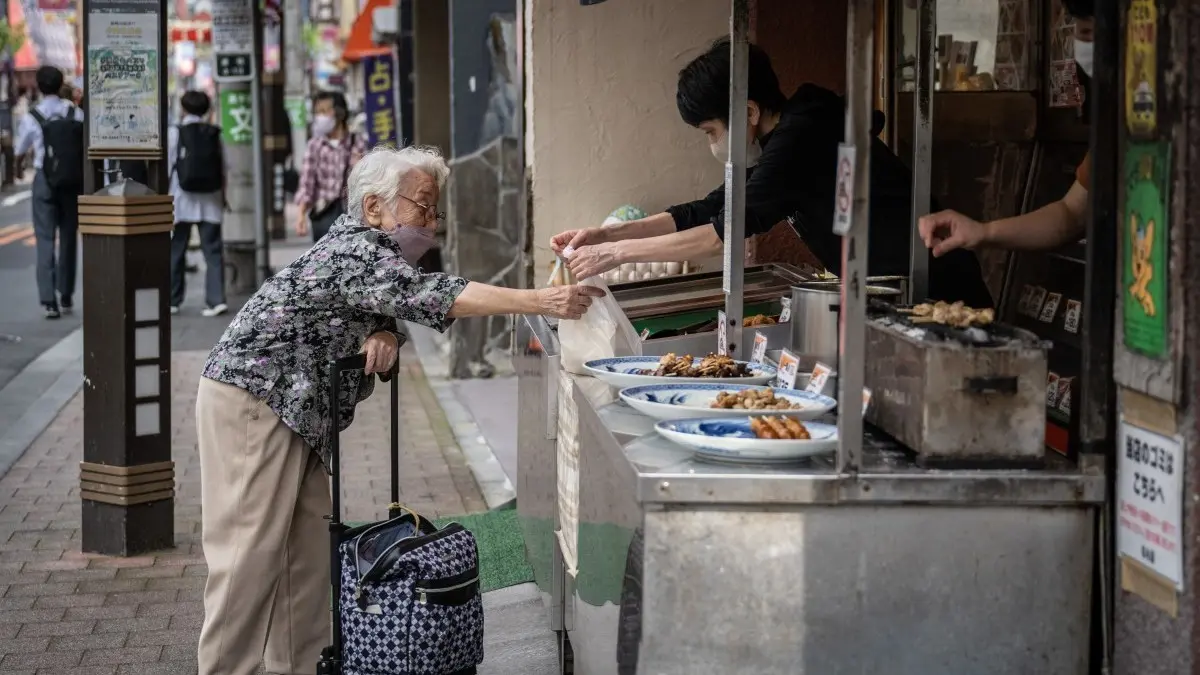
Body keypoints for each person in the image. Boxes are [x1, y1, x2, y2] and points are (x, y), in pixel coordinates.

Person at [194, 145, 603, 675]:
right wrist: (538, 301)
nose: (431, 223)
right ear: (373, 208)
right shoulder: (355, 251)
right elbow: (431, 295)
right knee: (247, 559)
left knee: (305, 561)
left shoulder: (370, 257)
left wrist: (384, 329)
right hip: (256, 399)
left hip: (294, 411)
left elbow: (385, 303)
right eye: (422, 207)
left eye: (436, 211)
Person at [553, 37, 993, 308]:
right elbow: (713, 206)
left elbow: (722, 231)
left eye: (710, 131)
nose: (711, 143)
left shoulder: (802, 137)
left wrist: (617, 257)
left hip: (933, 287)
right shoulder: (785, 136)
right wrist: (609, 235)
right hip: (890, 288)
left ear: (747, 111)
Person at [918, 0, 1094, 256]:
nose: (1079, 38)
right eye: (1077, 29)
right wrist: (982, 232)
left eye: (1088, 30)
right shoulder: (1117, 135)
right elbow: (1071, 215)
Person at [16, 66, 84, 319]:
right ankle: (66, 294)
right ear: (59, 85)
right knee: (68, 236)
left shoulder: (32, 117)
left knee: (45, 238)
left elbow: (20, 149)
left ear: (39, 86)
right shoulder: (75, 112)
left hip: (44, 179)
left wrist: (18, 167)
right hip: (70, 180)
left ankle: (49, 301)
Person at [168, 90, 228, 316]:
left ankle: (173, 300)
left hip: (180, 200)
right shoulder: (214, 134)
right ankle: (216, 300)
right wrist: (224, 197)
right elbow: (225, 167)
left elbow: (168, 166)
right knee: (212, 251)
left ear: (183, 109)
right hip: (210, 201)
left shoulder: (175, 134)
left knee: (176, 249)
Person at [294, 91, 366, 242]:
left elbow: (365, 181)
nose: (319, 117)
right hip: (323, 217)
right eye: (317, 112)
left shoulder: (357, 143)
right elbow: (307, 184)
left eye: (324, 111)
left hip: (352, 217)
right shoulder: (315, 145)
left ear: (339, 113)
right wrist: (301, 216)